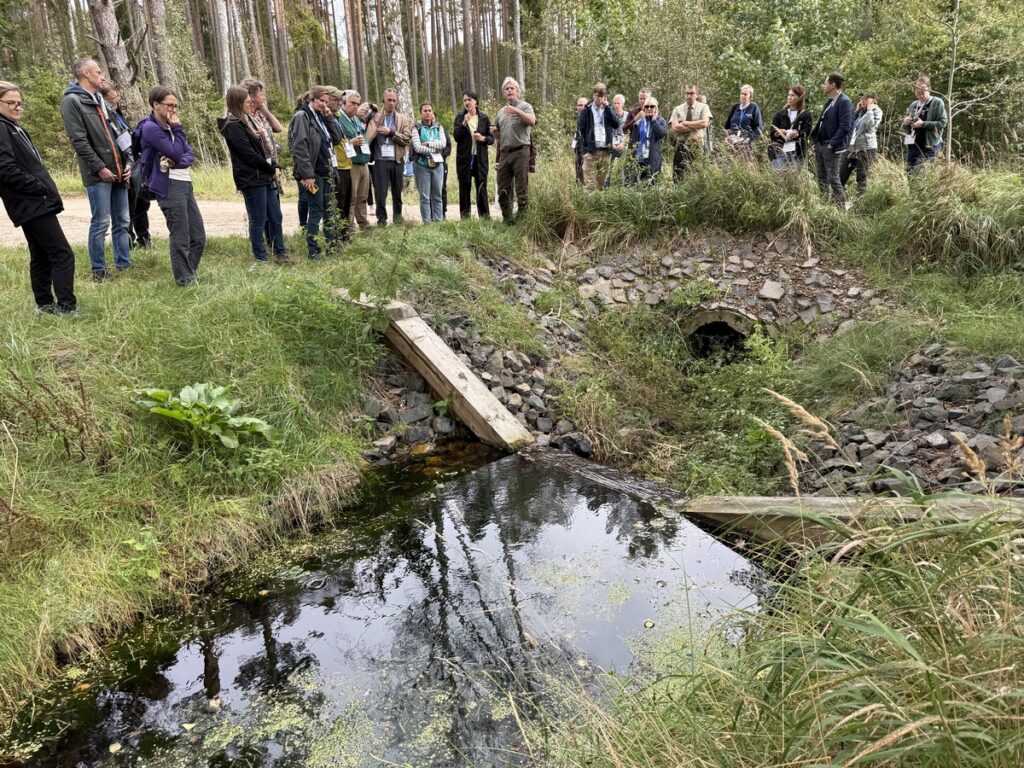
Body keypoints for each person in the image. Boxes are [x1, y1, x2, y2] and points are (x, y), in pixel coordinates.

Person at [0, 81, 77, 314]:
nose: (17, 107)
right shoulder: (2, 128)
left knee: (41, 253)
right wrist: (39, 188)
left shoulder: (13, 127)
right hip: (31, 202)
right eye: (11, 102)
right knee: (62, 253)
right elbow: (4, 168)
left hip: (33, 201)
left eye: (20, 103)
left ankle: (44, 305)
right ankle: (67, 307)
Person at [60, 58, 132, 281]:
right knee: (101, 222)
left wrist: (128, 161)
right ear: (86, 74)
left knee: (123, 221)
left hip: (120, 171)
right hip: (98, 174)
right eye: (98, 72)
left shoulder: (100, 99)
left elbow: (119, 131)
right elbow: (79, 141)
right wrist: (100, 167)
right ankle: (99, 271)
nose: (102, 76)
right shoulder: (72, 101)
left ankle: (124, 264)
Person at [137, 85, 206, 285]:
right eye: (169, 106)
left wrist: (178, 158)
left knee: (198, 237)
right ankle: (185, 280)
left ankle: (188, 273)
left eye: (175, 106)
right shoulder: (151, 128)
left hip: (185, 182)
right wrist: (178, 131)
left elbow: (188, 155)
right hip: (168, 185)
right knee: (181, 236)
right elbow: (176, 152)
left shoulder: (170, 126)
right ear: (156, 105)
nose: (173, 111)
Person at [218, 85, 286, 264]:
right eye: (247, 101)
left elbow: (265, 148)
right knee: (258, 219)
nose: (250, 103)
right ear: (238, 103)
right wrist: (271, 170)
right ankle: (261, 258)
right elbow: (249, 155)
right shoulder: (233, 125)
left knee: (275, 215)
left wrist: (275, 166)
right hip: (251, 178)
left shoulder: (249, 120)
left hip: (264, 174)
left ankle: (280, 252)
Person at [288, 85, 340, 258]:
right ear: (312, 99)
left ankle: (332, 248)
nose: (324, 104)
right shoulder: (302, 116)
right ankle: (314, 250)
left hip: (327, 171)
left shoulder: (321, 116)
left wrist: (329, 116)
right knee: (316, 211)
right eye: (321, 101)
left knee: (329, 211)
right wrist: (307, 174)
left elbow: (337, 138)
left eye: (326, 102)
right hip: (313, 173)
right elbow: (299, 147)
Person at [101, 84, 151, 249]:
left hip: (135, 163)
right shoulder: (105, 116)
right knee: (129, 207)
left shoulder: (117, 114)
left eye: (116, 98)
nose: (115, 101)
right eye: (111, 99)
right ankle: (129, 242)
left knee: (142, 204)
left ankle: (144, 239)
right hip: (123, 166)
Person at [492, 77, 536, 223]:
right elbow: (500, 136)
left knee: (521, 188)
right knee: (503, 188)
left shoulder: (525, 106)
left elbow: (532, 121)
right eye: (507, 89)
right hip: (504, 153)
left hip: (521, 152)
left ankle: (523, 220)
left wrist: (516, 111)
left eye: (512, 88)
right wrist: (494, 133)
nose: (509, 91)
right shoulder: (500, 112)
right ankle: (507, 220)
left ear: (517, 91)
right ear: (504, 93)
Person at [366, 88, 412, 225]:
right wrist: (370, 107)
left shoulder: (403, 119)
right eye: (389, 100)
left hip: (397, 160)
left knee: (397, 193)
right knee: (380, 193)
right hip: (380, 161)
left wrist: (391, 132)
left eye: (394, 100)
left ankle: (397, 218)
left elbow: (407, 139)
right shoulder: (376, 117)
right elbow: (362, 115)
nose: (391, 103)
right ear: (383, 101)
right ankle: (381, 219)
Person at [810, 71, 853, 206]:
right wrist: (816, 141)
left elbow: (845, 127)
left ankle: (840, 209)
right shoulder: (829, 101)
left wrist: (832, 144)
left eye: (825, 83)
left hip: (832, 147)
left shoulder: (844, 102)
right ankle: (823, 207)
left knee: (833, 178)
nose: (824, 86)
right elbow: (822, 122)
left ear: (833, 85)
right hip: (821, 145)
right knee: (821, 178)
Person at [452, 90, 493, 219]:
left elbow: (491, 139)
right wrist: (464, 123)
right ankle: (465, 218)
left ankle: (485, 217)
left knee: (481, 187)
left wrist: (483, 138)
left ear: (476, 102)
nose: (467, 102)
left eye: (469, 100)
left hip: (480, 159)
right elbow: (456, 137)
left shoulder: (484, 118)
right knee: (464, 188)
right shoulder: (460, 117)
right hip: (465, 159)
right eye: (464, 100)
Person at [337, 90, 372, 233]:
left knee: (363, 196)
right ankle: (349, 227)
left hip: (363, 161)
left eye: (357, 104)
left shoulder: (356, 119)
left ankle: (363, 223)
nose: (356, 106)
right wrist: (351, 142)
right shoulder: (338, 118)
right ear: (343, 103)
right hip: (350, 163)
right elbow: (336, 142)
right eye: (352, 103)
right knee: (352, 197)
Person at [410, 102, 447, 223]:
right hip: (421, 165)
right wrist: (435, 149)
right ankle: (427, 222)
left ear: (432, 113)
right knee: (425, 197)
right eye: (425, 110)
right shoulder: (416, 128)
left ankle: (438, 221)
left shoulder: (439, 126)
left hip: (438, 166)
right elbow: (418, 148)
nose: (427, 113)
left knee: (437, 196)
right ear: (420, 113)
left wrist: (428, 144)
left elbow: (443, 144)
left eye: (429, 110)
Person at [576, 82, 618, 190]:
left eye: (602, 97)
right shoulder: (587, 110)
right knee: (590, 185)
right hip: (591, 151)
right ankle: (589, 206)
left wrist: (608, 108)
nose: (600, 99)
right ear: (593, 95)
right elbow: (580, 129)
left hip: (605, 151)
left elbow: (616, 124)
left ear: (605, 97)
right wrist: (584, 151)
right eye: (597, 96)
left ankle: (599, 206)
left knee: (601, 185)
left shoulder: (607, 110)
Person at [840, 92, 883, 194]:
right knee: (842, 174)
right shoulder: (860, 112)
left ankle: (860, 202)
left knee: (861, 176)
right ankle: (836, 201)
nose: (862, 101)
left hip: (866, 148)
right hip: (852, 148)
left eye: (866, 99)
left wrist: (869, 111)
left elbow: (870, 125)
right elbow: (849, 125)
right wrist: (856, 111)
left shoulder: (877, 111)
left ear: (873, 101)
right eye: (862, 98)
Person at [902, 77, 947, 170]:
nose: (920, 90)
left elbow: (942, 123)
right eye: (917, 88)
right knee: (910, 173)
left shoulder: (937, 102)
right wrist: (906, 121)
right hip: (912, 145)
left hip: (929, 146)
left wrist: (923, 124)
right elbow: (905, 126)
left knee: (923, 174)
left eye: (923, 87)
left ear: (929, 88)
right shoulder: (913, 104)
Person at [669, 84, 711, 182]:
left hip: (696, 145)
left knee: (697, 175)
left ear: (697, 94)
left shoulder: (703, 107)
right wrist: (695, 126)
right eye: (687, 93)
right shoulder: (677, 109)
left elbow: (704, 123)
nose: (689, 96)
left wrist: (685, 123)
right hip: (681, 145)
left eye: (692, 93)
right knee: (678, 176)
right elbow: (675, 127)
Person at [768, 85, 812, 169]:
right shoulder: (780, 114)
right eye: (789, 95)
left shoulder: (806, 115)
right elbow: (772, 132)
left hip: (798, 152)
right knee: (778, 178)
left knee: (794, 179)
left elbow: (807, 132)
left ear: (799, 98)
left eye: (793, 95)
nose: (789, 97)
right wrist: (779, 133)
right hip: (780, 152)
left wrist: (797, 134)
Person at [626, 96, 667, 185]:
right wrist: (631, 157)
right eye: (646, 107)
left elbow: (661, 134)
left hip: (652, 159)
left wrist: (653, 121)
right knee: (634, 185)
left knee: (651, 185)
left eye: (652, 106)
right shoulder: (640, 121)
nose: (649, 108)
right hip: (639, 159)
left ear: (656, 108)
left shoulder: (660, 120)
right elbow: (633, 140)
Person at [723, 84, 763, 153]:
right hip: (732, 142)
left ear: (750, 96)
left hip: (746, 143)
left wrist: (749, 138)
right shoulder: (735, 107)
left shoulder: (754, 107)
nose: (743, 96)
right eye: (742, 94)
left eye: (745, 94)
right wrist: (727, 136)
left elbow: (759, 127)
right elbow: (727, 126)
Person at [607, 93, 628, 186]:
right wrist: (610, 142)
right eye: (614, 103)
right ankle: (605, 188)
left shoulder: (628, 116)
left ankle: (623, 188)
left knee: (623, 169)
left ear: (622, 104)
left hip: (623, 145)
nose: (616, 105)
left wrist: (623, 143)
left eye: (618, 103)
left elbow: (630, 132)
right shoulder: (609, 116)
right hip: (611, 145)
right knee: (608, 169)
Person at [572, 96, 587, 186]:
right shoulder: (578, 119)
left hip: (587, 152)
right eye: (579, 105)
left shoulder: (590, 119)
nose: (581, 107)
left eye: (583, 105)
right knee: (578, 176)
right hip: (578, 151)